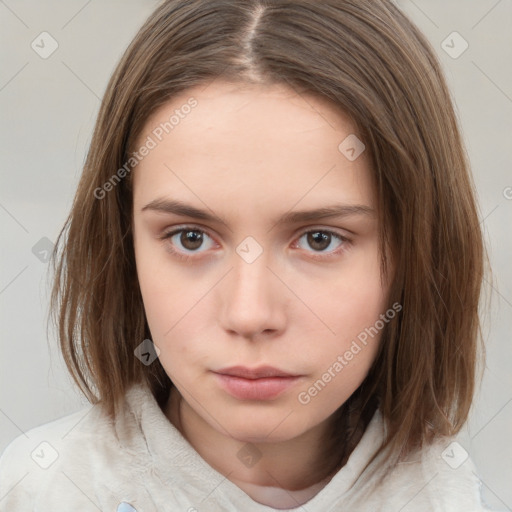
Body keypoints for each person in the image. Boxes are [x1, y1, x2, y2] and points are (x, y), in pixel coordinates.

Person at [0, 0, 498, 510]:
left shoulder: (452, 496)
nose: (249, 314)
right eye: (190, 237)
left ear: (420, 253)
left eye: (319, 239)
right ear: (122, 249)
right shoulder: (42, 492)